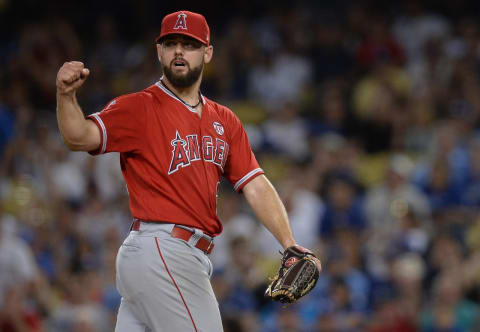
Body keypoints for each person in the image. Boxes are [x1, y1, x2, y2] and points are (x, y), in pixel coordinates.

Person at [56, 10, 312, 332]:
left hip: (164, 259)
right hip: (165, 250)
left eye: (189, 44)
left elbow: (255, 184)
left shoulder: (225, 120)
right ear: (159, 52)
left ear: (207, 53)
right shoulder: (139, 107)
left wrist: (289, 242)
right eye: (171, 43)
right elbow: (78, 136)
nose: (179, 50)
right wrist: (66, 96)